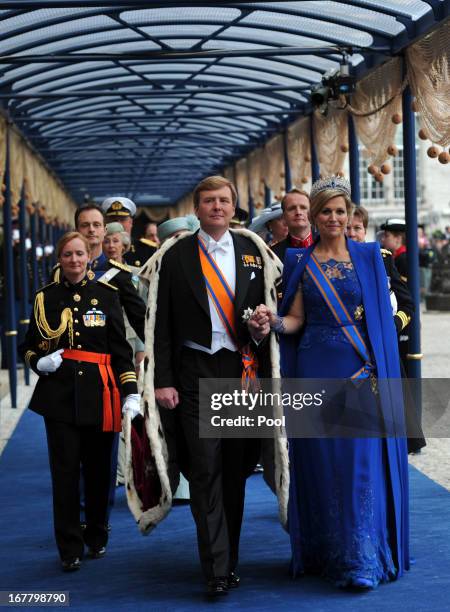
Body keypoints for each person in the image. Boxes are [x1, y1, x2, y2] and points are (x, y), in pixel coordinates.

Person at [127, 175, 288, 598]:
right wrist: (162, 382)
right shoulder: (173, 255)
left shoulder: (254, 251)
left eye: (224, 201)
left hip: (242, 370)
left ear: (234, 207)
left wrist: (258, 329)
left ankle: (229, 558)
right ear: (196, 209)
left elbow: (267, 316)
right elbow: (158, 322)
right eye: (209, 201)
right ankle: (215, 568)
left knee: (235, 471)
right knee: (205, 470)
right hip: (193, 372)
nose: (217, 207)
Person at [260, 176, 409, 589]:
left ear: (351, 215)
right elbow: (296, 320)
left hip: (359, 370)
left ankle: (361, 559)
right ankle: (327, 552)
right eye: (325, 210)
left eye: (340, 211)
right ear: (313, 214)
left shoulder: (369, 257)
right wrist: (270, 322)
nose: (333, 217)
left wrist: (381, 366)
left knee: (359, 464)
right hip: (314, 366)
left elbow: (381, 320)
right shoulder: (298, 262)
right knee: (322, 463)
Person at [20, 232, 140, 572]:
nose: (74, 260)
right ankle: (69, 546)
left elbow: (120, 349)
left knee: (100, 473)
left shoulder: (107, 295)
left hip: (101, 394)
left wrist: (129, 391)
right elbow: (28, 345)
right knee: (65, 473)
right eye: (67, 255)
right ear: (60, 258)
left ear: (90, 255)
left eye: (79, 254)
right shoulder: (46, 297)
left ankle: (97, 534)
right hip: (58, 397)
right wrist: (36, 363)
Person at [347, 206, 425, 454]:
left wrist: (392, 326)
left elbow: (407, 303)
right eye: (348, 227)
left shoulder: (382, 257)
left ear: (365, 230)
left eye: (357, 228)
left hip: (380, 343)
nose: (352, 233)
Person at [101, 197, 157, 266]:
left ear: (131, 222)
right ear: (106, 223)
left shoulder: (147, 249)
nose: (118, 224)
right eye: (114, 220)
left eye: (122, 220)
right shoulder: (99, 249)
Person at [271, 188, 313, 262]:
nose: (298, 212)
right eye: (292, 208)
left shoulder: (327, 246)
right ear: (284, 216)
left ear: (311, 213)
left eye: (303, 207)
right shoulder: (273, 255)